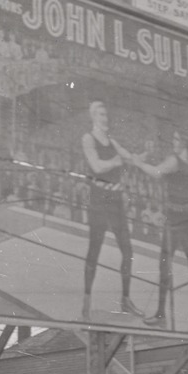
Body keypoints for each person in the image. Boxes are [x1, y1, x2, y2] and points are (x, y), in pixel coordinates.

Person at [133, 131, 188, 332]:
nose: (173, 142)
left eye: (176, 139)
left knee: (164, 267)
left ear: (184, 141)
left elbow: (157, 172)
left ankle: (161, 315)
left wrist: (138, 163)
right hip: (186, 221)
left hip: (174, 222)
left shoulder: (175, 161)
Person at [80, 100, 140, 320]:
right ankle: (86, 304)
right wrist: (116, 161)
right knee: (93, 252)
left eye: (107, 115)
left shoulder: (112, 141)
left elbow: (130, 158)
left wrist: (142, 156)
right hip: (99, 199)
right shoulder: (88, 138)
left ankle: (125, 300)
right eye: (102, 115)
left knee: (128, 251)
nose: (106, 119)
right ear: (94, 116)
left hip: (115, 200)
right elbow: (96, 167)